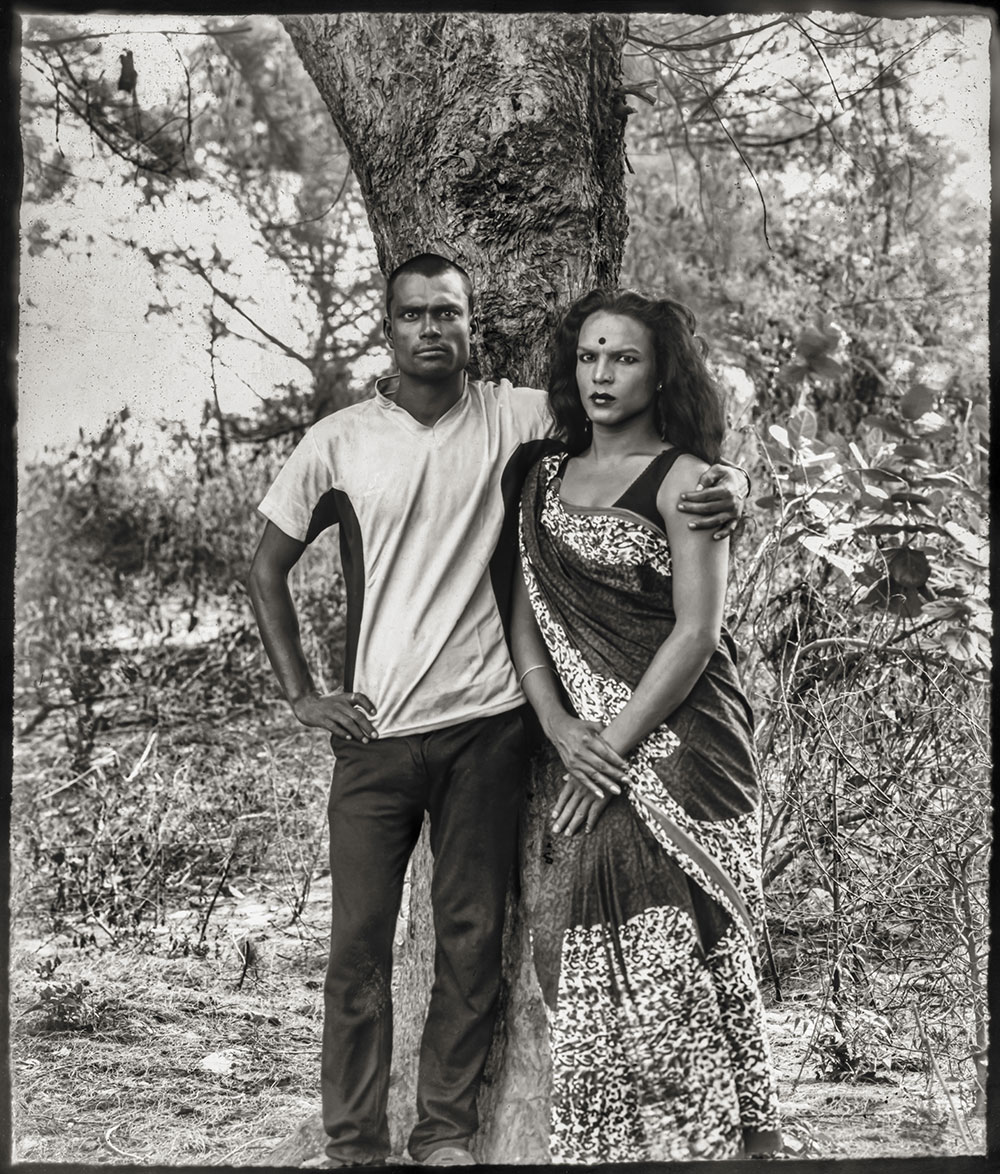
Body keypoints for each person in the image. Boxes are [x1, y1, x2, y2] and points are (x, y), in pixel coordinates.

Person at [247, 254, 749, 1167]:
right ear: (387, 327)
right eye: (412, 314)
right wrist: (302, 696)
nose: (430, 328)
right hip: (374, 734)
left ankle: (442, 1134)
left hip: (486, 727)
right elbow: (265, 569)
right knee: (356, 952)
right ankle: (353, 1145)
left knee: (472, 941)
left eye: (448, 312)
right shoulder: (337, 441)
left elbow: (640, 440)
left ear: (471, 324)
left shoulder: (520, 417)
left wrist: (734, 485)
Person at [512, 288, 781, 1162]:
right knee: (599, 938)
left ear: (661, 372)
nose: (602, 374)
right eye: (589, 356)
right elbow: (523, 612)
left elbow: (697, 633)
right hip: (588, 740)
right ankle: (624, 1142)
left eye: (624, 358)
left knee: (683, 945)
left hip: (689, 745)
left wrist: (611, 751)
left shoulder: (689, 482)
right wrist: (560, 727)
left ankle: (712, 1139)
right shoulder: (538, 479)